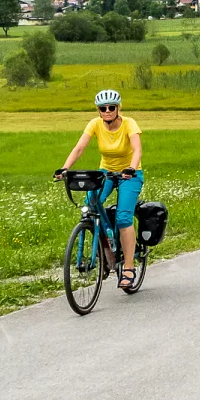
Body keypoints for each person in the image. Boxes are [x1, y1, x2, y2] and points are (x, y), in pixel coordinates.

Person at [56, 89, 144, 288]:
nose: (107, 111)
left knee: (123, 217)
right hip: (105, 172)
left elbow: (137, 148)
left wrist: (131, 167)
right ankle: (105, 250)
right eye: (103, 108)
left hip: (130, 174)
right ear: (98, 110)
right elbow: (80, 147)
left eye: (111, 107)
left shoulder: (129, 123)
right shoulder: (95, 124)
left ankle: (128, 267)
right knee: (90, 206)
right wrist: (65, 168)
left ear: (118, 108)